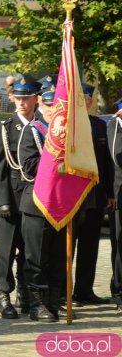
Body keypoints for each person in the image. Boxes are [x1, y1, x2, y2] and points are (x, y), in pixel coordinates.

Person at [0, 76, 41, 319]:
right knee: (6, 250)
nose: (21, 103)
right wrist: (2, 201)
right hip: (11, 193)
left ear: (35, 99)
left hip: (34, 197)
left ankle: (26, 294)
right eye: (18, 98)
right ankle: (4, 295)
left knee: (30, 250)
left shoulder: (43, 127)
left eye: (26, 98)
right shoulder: (4, 128)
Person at [17, 86, 67, 322]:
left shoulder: (69, 135)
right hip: (37, 204)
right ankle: (36, 305)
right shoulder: (32, 131)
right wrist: (57, 160)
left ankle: (54, 302)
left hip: (62, 204)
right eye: (47, 106)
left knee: (58, 258)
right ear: (40, 105)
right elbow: (28, 167)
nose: (51, 111)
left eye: (56, 106)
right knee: (35, 258)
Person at [72, 84, 114, 306]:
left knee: (90, 247)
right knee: (66, 248)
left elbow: (106, 162)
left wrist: (109, 193)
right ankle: (61, 292)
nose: (85, 101)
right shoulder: (68, 125)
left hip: (95, 195)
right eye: (81, 97)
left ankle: (84, 291)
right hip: (71, 197)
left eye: (87, 98)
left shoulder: (99, 125)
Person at [107, 97, 122, 313]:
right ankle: (119, 291)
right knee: (120, 244)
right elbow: (113, 160)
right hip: (120, 193)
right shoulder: (115, 126)